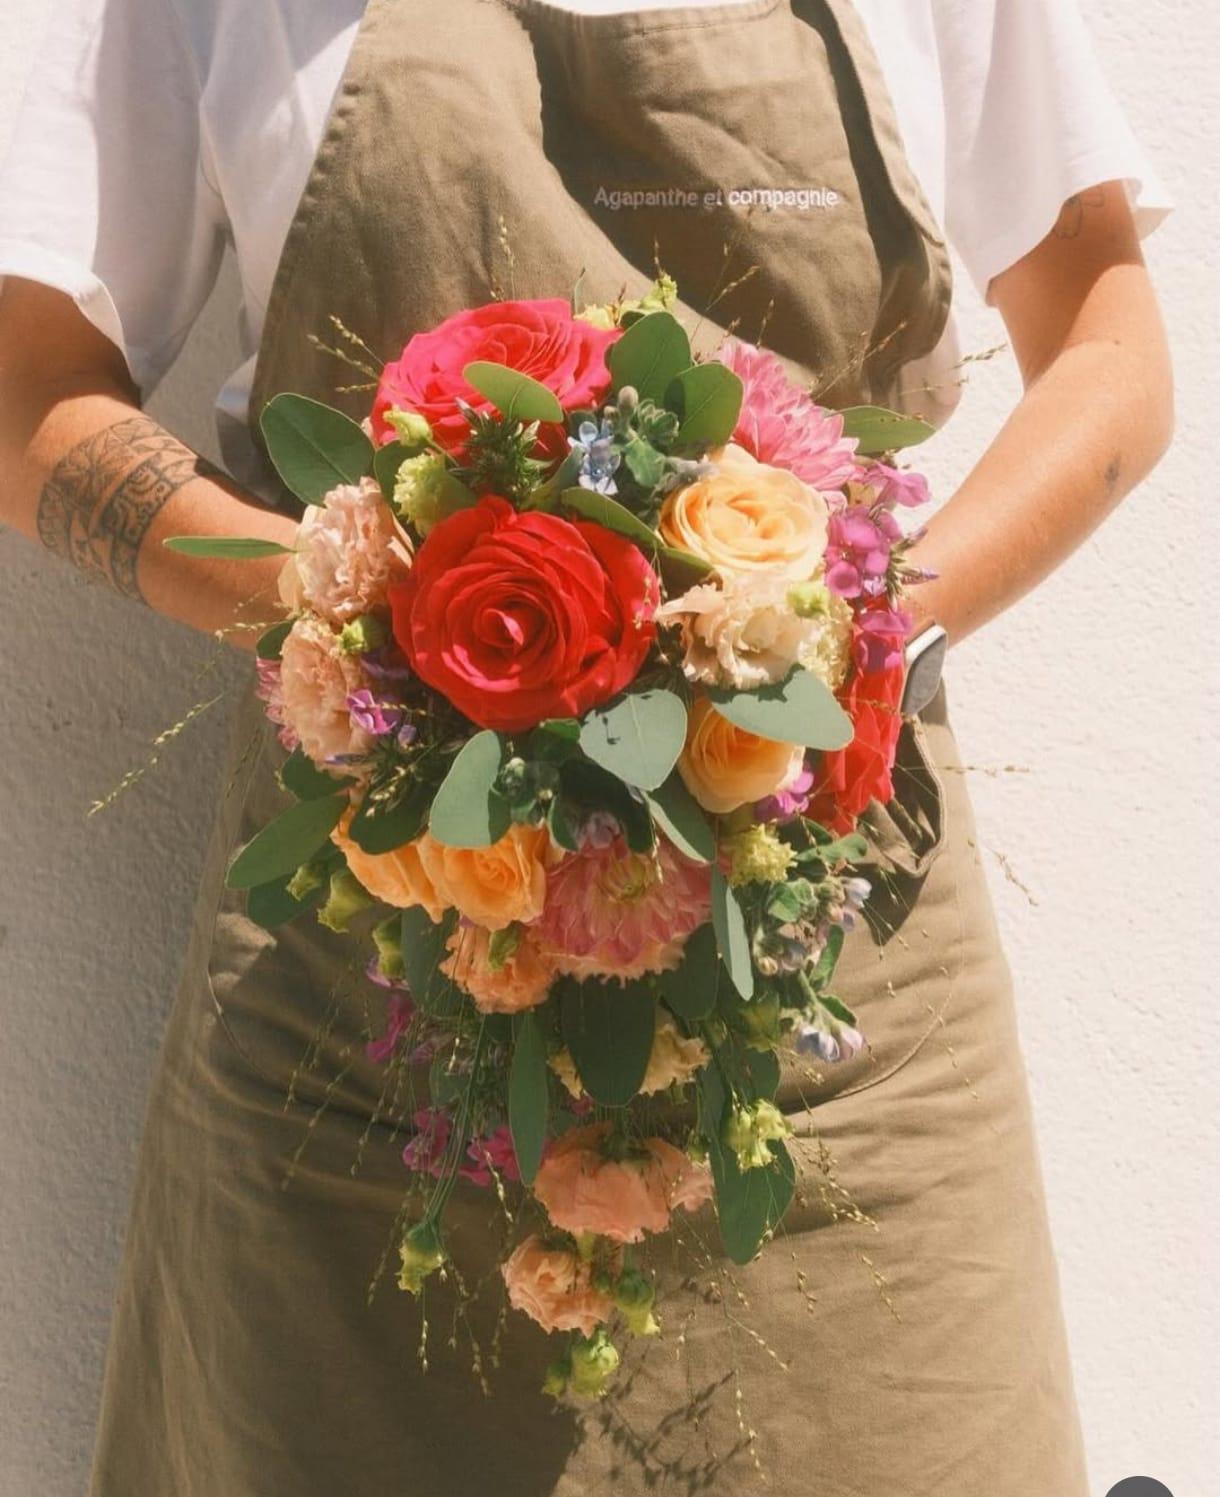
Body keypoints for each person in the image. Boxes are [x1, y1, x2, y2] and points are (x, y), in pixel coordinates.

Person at [0, 1, 1173, 1493]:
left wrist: (868, 629)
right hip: (356, 1037)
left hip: (838, 1028)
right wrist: (370, 620)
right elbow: (27, 382)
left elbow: (1109, 343)